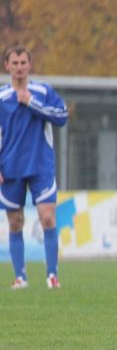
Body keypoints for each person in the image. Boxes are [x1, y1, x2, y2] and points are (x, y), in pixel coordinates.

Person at [0, 45, 68, 289]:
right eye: (14, 63)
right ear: (7, 66)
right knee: (15, 221)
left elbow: (62, 116)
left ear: (29, 65)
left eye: (23, 63)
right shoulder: (1, 97)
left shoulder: (43, 91)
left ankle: (52, 276)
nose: (19, 67)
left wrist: (31, 102)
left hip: (40, 165)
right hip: (10, 167)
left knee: (47, 217)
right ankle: (21, 277)